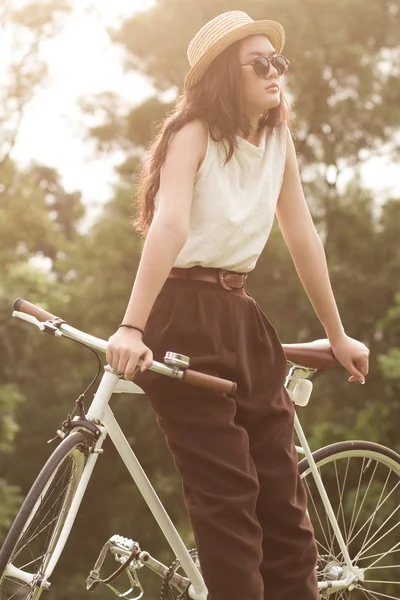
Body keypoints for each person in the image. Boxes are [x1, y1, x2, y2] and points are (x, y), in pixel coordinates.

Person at [106, 10, 370, 600]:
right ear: (228, 74)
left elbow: (303, 237)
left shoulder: (277, 139)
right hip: (182, 315)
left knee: (285, 508)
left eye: (279, 62)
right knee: (229, 507)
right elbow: (169, 226)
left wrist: (339, 333)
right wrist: (131, 326)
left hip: (242, 317)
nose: (276, 73)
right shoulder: (192, 131)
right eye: (260, 64)